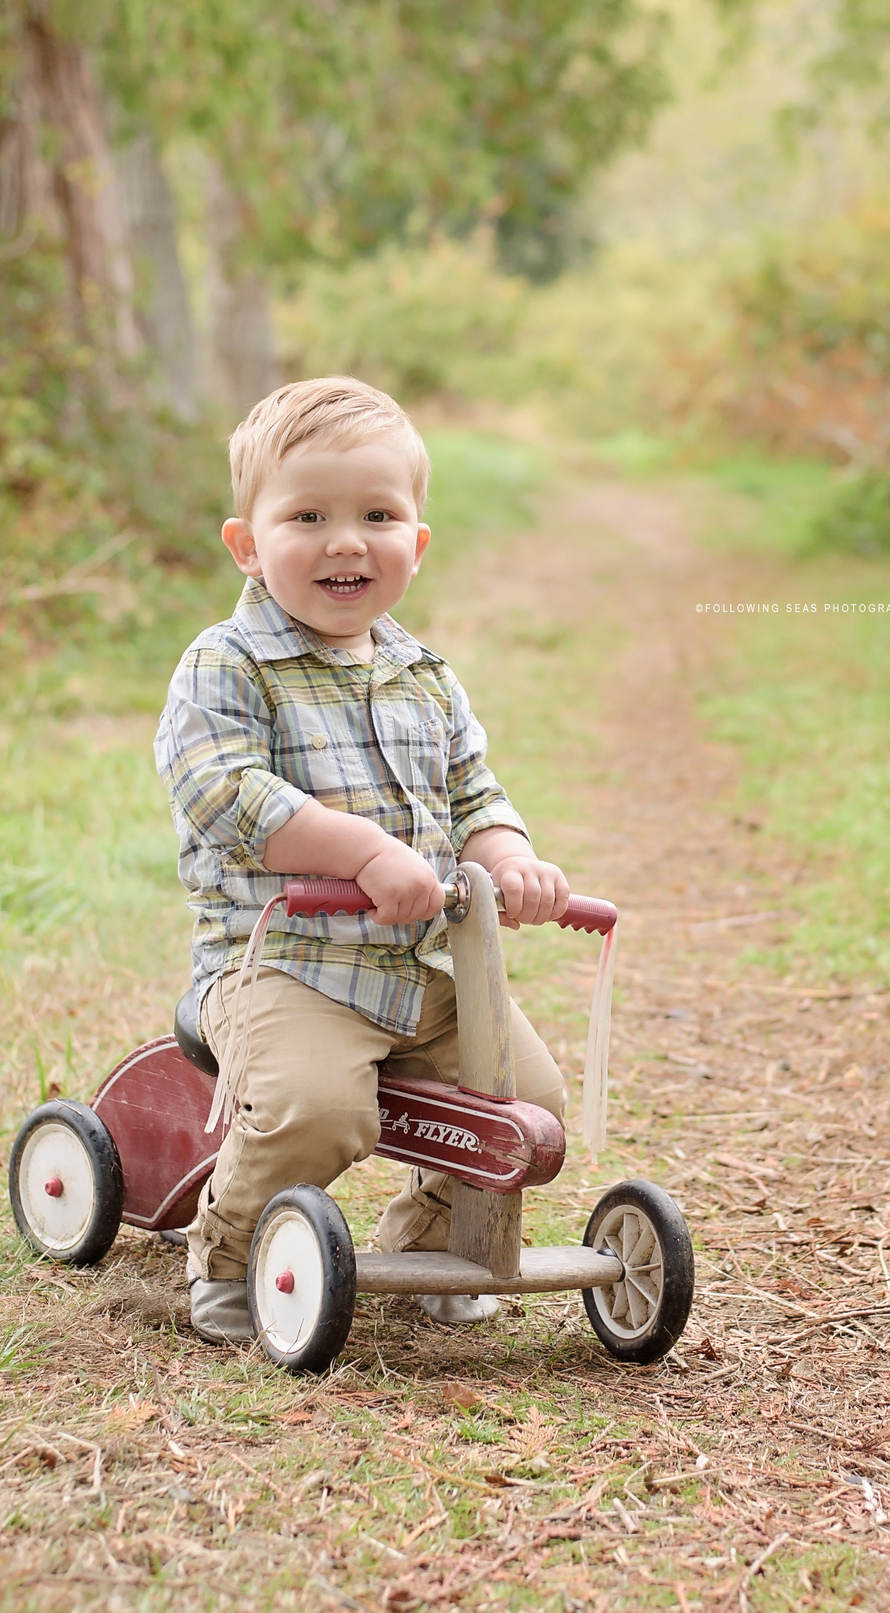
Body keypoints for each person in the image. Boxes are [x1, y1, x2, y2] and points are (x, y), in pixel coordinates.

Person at [154, 376, 575, 1344]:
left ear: (415, 545)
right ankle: (229, 1250)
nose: (347, 541)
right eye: (309, 516)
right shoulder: (225, 667)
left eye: (378, 515)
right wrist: (368, 852)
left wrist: (509, 856)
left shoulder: (424, 676)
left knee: (524, 1107)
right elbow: (226, 792)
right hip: (285, 968)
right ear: (248, 545)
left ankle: (436, 1243)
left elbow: (473, 793)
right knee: (315, 1109)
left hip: (417, 967)